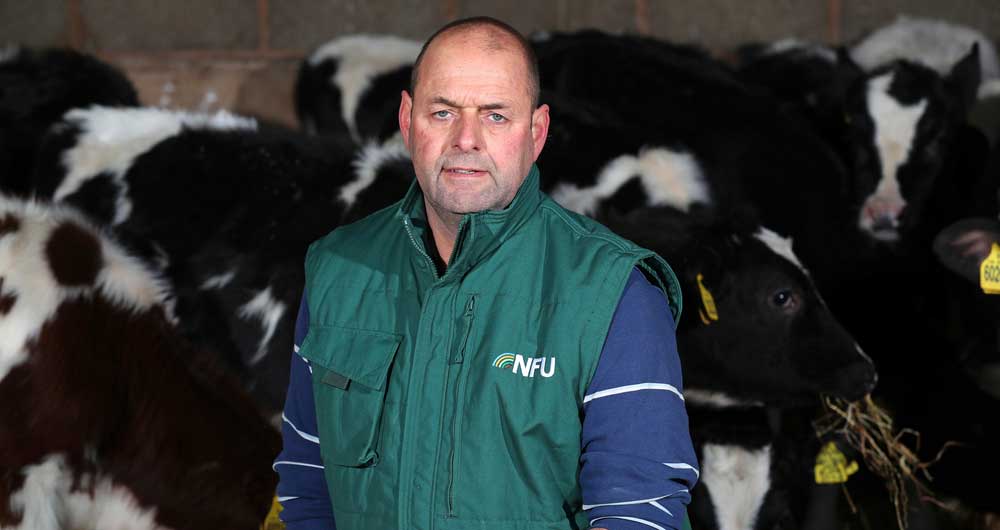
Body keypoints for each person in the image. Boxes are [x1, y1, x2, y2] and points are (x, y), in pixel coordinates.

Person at [274, 16, 698, 530]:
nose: (466, 139)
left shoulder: (614, 295)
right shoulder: (338, 271)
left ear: (536, 132)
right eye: (443, 112)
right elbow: (306, 485)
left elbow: (640, 512)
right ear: (408, 121)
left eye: (496, 116)